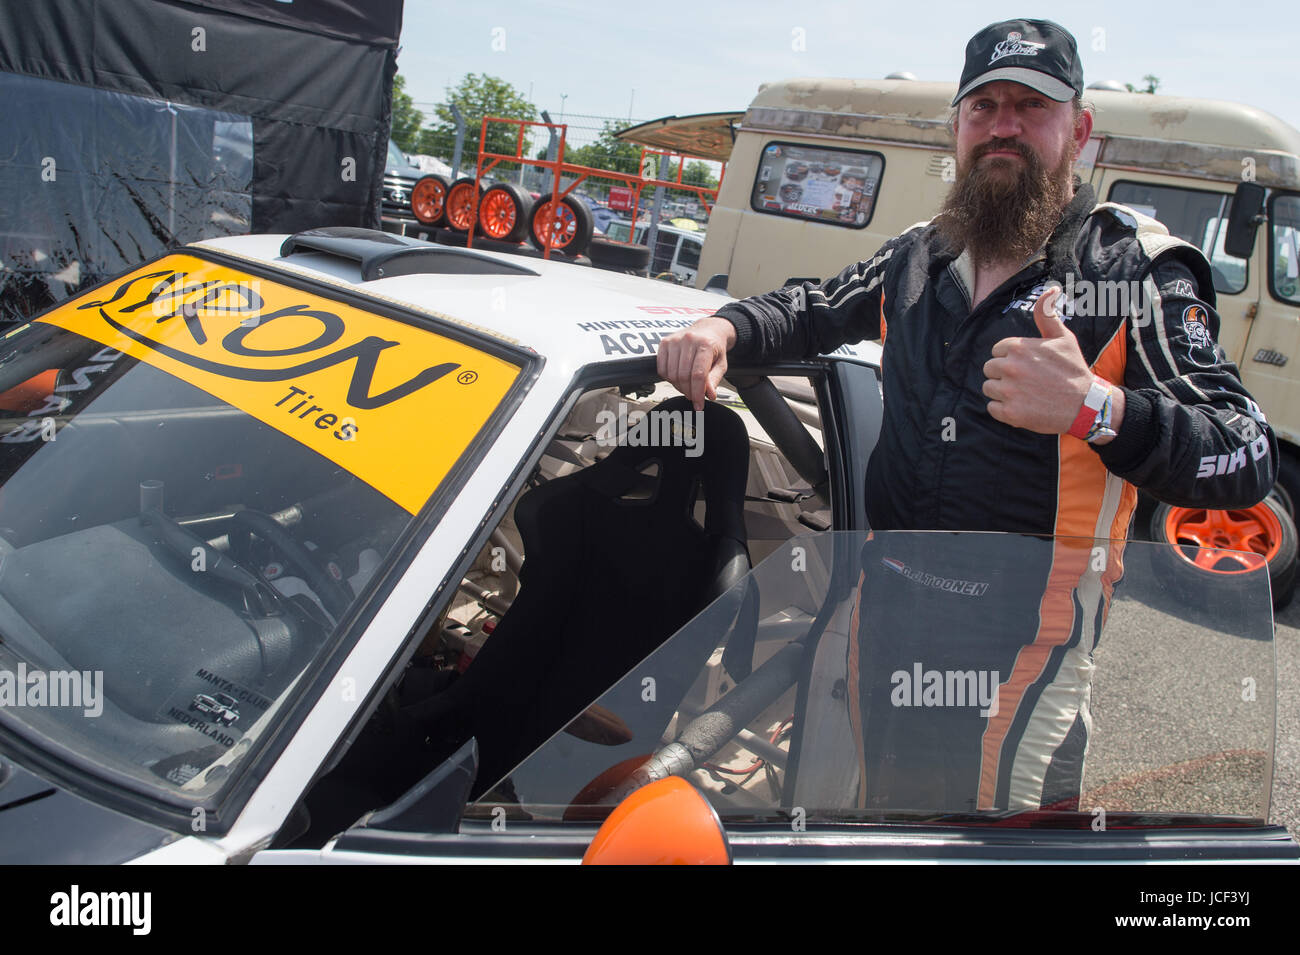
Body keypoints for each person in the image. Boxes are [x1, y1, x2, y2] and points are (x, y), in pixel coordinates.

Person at [656, 18, 1278, 811]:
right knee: (876, 828)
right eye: (983, 107)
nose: (1003, 127)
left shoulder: (1134, 274)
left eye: (1031, 106)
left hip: (1023, 665)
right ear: (956, 127)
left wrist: (1096, 408)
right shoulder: (920, 255)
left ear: (1079, 131)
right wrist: (724, 327)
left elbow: (1247, 451)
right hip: (881, 629)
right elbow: (812, 309)